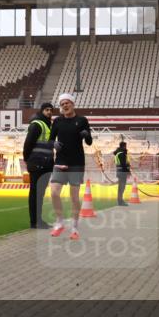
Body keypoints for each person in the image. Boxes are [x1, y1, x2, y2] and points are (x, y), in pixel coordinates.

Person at [49, 93, 93, 240]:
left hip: (76, 163)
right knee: (54, 193)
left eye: (67, 103)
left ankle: (74, 228)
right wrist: (54, 144)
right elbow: (50, 140)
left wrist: (86, 135)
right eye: (62, 104)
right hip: (60, 161)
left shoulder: (82, 120)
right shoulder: (57, 121)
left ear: (72, 104)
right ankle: (60, 222)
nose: (65, 106)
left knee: (74, 197)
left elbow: (89, 142)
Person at [22, 102, 55, 229]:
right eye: (47, 110)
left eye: (51, 110)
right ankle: (35, 222)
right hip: (37, 164)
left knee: (40, 194)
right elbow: (28, 144)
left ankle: (38, 220)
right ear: (42, 111)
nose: (49, 112)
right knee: (36, 194)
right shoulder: (37, 124)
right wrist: (27, 159)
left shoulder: (48, 126)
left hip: (46, 164)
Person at [113, 141, 131, 206]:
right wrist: (128, 171)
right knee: (122, 187)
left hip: (119, 172)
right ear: (124, 146)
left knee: (121, 187)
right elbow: (124, 164)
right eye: (125, 146)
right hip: (123, 172)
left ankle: (120, 201)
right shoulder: (122, 153)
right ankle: (120, 201)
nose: (126, 147)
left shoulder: (118, 153)